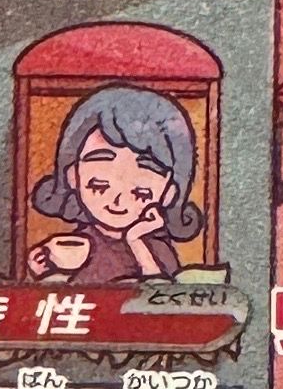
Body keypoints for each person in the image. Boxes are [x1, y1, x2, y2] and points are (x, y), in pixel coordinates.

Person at [24, 83, 204, 285]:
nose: (118, 201)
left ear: (169, 193)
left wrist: (136, 241)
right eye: (99, 187)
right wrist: (44, 271)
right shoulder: (76, 247)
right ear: (72, 175)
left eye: (141, 193)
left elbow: (162, 297)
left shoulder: (156, 249)